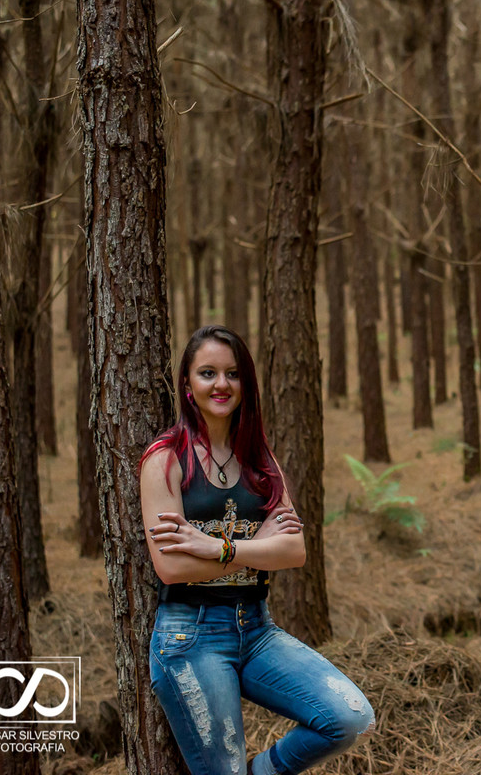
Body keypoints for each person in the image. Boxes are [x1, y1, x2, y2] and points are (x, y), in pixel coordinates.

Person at [140, 325, 374, 775]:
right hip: (191, 638)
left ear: (245, 383)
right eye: (207, 373)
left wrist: (217, 547)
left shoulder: (260, 460)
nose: (221, 384)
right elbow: (170, 568)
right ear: (188, 385)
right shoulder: (165, 458)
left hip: (257, 629)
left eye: (232, 374)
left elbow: (294, 551)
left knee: (350, 716)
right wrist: (256, 545)